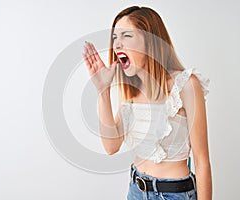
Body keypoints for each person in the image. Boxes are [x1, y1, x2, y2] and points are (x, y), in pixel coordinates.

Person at [83, 6, 212, 200]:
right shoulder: (130, 89)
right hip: (136, 190)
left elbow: (202, 162)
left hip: (174, 195)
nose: (117, 45)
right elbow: (111, 146)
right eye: (115, 38)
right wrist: (103, 91)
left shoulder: (186, 85)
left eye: (126, 36)